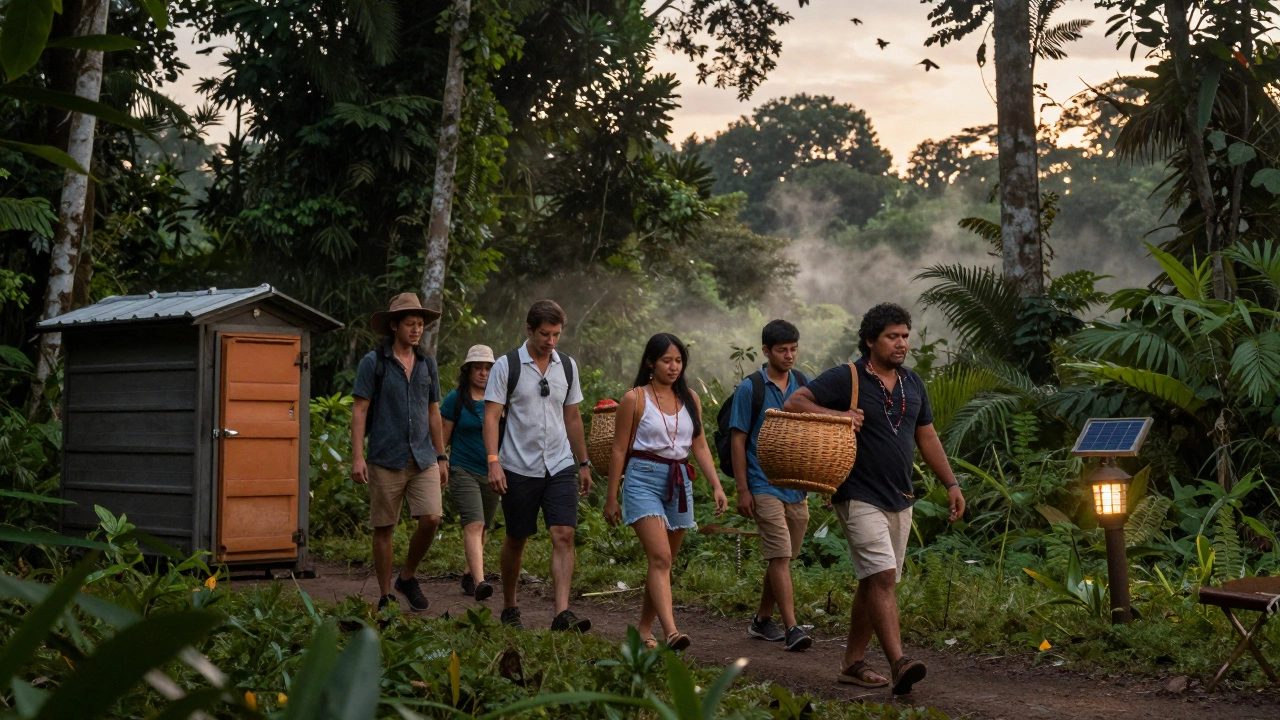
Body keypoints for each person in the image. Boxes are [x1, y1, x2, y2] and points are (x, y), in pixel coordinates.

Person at [783, 302, 966, 695]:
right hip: (857, 493)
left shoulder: (913, 383)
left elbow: (927, 436)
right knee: (882, 576)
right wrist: (838, 417)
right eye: (891, 336)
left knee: (875, 582)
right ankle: (900, 662)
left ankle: (851, 663)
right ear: (870, 340)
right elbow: (794, 402)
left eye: (904, 336)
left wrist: (951, 483)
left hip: (901, 496)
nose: (901, 344)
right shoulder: (847, 376)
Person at [603, 333, 728, 651]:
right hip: (643, 478)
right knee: (659, 557)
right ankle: (672, 631)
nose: (673, 367)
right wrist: (611, 497)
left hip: (679, 481)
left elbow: (698, 444)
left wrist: (716, 485)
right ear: (650, 362)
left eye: (678, 360)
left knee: (663, 562)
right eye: (666, 360)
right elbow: (619, 450)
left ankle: (645, 630)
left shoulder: (691, 398)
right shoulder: (635, 399)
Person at [483, 300, 593, 632]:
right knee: (517, 537)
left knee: (564, 533)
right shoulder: (507, 366)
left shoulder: (568, 367)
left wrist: (583, 462)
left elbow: (572, 417)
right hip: (518, 465)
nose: (551, 341)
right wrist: (493, 462)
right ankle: (510, 605)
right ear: (529, 330)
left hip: (559, 464)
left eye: (557, 334)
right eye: (545, 334)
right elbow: (491, 416)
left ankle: (562, 613)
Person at [351, 292, 449, 612]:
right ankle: (384, 595)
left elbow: (434, 411)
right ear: (394, 326)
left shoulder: (426, 363)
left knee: (432, 518)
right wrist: (357, 456)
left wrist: (441, 454)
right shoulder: (374, 362)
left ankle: (406, 577)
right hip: (386, 457)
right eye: (410, 323)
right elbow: (360, 411)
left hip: (423, 456)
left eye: (420, 324)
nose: (417, 329)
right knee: (385, 528)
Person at [728, 319, 814, 652]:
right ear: (766, 351)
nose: (789, 355)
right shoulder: (752, 388)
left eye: (793, 349)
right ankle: (793, 627)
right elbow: (738, 439)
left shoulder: (803, 384)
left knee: (784, 557)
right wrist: (742, 489)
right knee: (779, 554)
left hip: (795, 485)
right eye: (782, 350)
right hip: (762, 483)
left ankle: (763, 619)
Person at [441, 344, 499, 602]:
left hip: (492, 472)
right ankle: (480, 582)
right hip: (462, 469)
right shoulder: (455, 399)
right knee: (474, 524)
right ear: (468, 370)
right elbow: (442, 437)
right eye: (478, 367)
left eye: (488, 368)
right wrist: (440, 464)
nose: (483, 373)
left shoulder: (499, 400)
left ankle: (468, 574)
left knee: (484, 526)